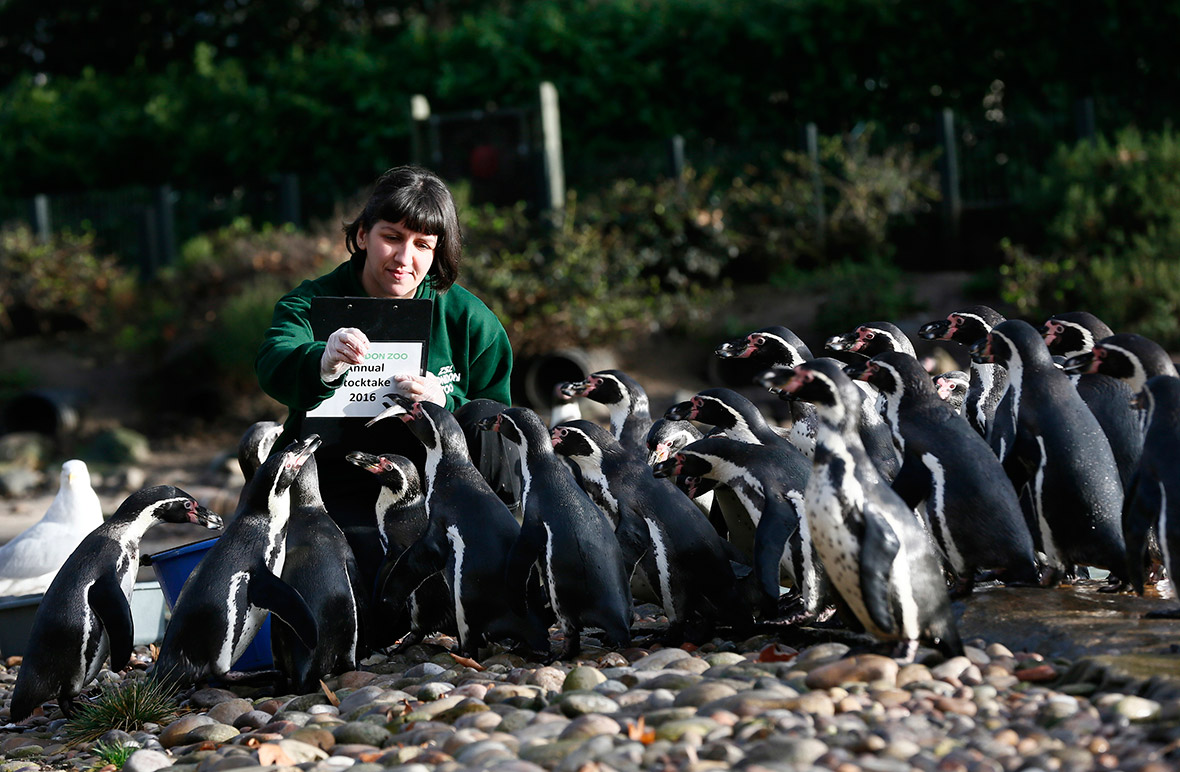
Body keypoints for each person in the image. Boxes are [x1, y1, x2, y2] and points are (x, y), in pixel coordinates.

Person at [255, 165, 513, 590]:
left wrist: (444, 409)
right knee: (353, 586)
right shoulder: (313, 302)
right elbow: (273, 360)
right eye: (391, 237)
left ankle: (473, 553)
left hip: (435, 489)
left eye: (422, 245)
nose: (404, 258)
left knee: (482, 414)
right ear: (362, 236)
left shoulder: (469, 318)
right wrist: (322, 361)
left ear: (437, 252)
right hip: (333, 481)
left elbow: (499, 426)